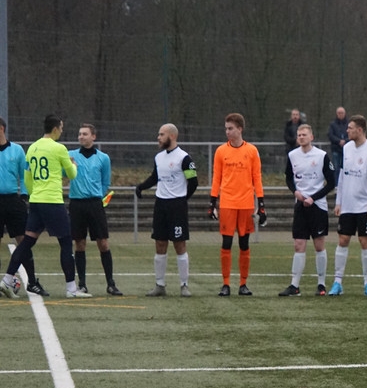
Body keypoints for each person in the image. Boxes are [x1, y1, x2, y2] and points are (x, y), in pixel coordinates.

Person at [0, 114, 92, 299]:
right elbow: (72, 174)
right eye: (61, 128)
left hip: (36, 201)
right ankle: (71, 289)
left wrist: (33, 194)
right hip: (52, 201)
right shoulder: (59, 148)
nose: (62, 132)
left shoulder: (32, 148)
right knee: (65, 242)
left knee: (27, 242)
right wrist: (73, 165)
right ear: (55, 129)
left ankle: (7, 280)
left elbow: (27, 178)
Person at [135, 123, 198, 297]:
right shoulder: (158, 157)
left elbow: (193, 182)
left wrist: (182, 199)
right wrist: (141, 187)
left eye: (162, 134)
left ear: (172, 136)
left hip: (177, 206)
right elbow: (155, 177)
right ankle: (160, 285)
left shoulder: (184, 158)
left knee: (179, 244)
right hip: (160, 205)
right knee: (160, 243)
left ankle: (184, 285)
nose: (158, 137)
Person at [210, 113, 265, 296]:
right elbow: (217, 178)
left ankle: (243, 284)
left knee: (244, 243)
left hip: (246, 203)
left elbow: (257, 178)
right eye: (226, 128)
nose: (227, 132)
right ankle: (226, 284)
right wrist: (212, 202)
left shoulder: (252, 151)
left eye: (231, 128)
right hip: (227, 203)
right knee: (226, 243)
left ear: (240, 129)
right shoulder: (221, 151)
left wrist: (261, 204)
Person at [278, 124, 337, 296]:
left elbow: (331, 183)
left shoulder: (321, 156)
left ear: (311, 137)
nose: (301, 137)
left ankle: (321, 284)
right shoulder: (292, 155)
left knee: (319, 245)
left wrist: (314, 198)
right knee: (299, 244)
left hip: (318, 207)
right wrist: (295, 192)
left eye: (304, 134)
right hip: (300, 206)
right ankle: (294, 286)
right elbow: (289, 178)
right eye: (299, 135)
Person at [329, 114, 367, 296]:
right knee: (343, 240)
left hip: (364, 206)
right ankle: (337, 282)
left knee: (364, 241)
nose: (347, 130)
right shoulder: (347, 148)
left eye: (350, 128)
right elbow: (342, 176)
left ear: (359, 130)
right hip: (348, 206)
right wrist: (339, 201)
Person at [68, 124, 122, 295]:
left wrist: (98, 195)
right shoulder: (70, 155)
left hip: (95, 204)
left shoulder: (103, 158)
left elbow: (105, 181)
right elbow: (65, 173)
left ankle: (111, 284)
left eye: (85, 134)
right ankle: (82, 284)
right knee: (79, 243)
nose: (81, 136)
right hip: (77, 204)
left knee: (103, 243)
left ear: (93, 136)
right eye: (79, 134)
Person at [0, 116, 47, 296]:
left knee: (23, 241)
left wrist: (25, 194)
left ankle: (32, 282)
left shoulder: (17, 150)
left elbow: (25, 174)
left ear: (1, 129)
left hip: (13, 201)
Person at [326, 106, 349, 184]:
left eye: (342, 113)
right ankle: (336, 184)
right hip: (336, 149)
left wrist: (345, 141)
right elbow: (330, 135)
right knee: (336, 167)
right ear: (336, 114)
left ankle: (345, 183)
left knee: (346, 168)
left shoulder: (349, 124)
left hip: (346, 150)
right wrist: (339, 141)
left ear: (345, 113)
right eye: (339, 113)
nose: (340, 114)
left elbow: (351, 135)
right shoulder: (332, 124)